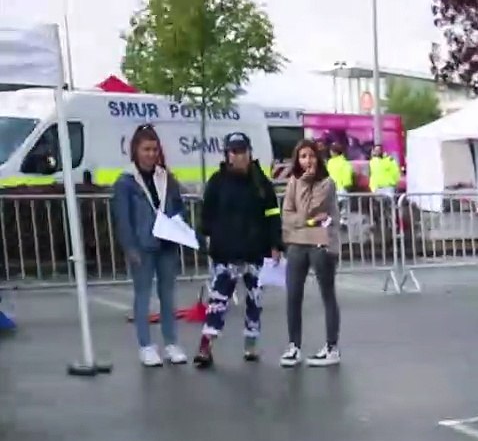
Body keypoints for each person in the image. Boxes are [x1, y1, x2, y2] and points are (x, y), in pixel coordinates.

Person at [193, 132, 283, 368]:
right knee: (218, 300)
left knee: (255, 299)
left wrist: (275, 244)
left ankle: (251, 343)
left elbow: (273, 215)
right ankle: (206, 345)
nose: (239, 156)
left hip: (256, 251)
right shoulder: (217, 181)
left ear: (249, 152)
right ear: (227, 154)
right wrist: (208, 235)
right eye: (234, 151)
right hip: (226, 252)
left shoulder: (261, 183)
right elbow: (206, 213)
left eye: (242, 151)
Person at [110, 124, 189, 367]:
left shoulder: (166, 177)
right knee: (143, 296)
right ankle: (145, 345)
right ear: (136, 150)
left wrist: (180, 228)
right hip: (142, 246)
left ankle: (171, 343)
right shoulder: (125, 182)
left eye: (154, 149)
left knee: (168, 295)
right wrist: (130, 248)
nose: (151, 154)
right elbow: (122, 218)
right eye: (146, 149)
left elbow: (177, 207)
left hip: (166, 244)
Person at [280, 139, 342, 367]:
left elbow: (310, 208)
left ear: (318, 158)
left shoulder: (326, 183)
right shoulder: (293, 182)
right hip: (297, 242)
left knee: (327, 295)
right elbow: (287, 215)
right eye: (303, 156)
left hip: (321, 243)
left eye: (311, 156)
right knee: (293, 295)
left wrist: (305, 187)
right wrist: (304, 221)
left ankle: (332, 347)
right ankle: (294, 346)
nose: (307, 161)